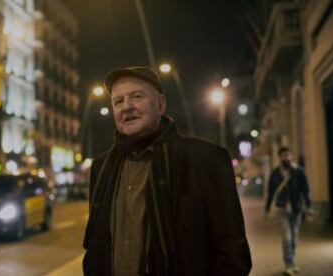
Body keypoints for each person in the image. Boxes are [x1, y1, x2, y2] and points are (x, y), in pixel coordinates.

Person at [83, 66, 252, 276]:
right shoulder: (101, 168)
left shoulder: (205, 159)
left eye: (136, 97)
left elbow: (233, 253)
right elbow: (95, 245)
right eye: (118, 102)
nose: (126, 107)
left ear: (160, 105)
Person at [265, 147, 313, 275]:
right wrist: (267, 208)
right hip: (281, 209)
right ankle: (288, 264)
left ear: (291, 156)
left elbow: (306, 190)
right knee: (287, 238)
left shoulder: (298, 171)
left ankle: (292, 262)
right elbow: (270, 192)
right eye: (283, 155)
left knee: (294, 239)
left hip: (296, 209)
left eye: (288, 155)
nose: (286, 157)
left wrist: (309, 207)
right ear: (279, 157)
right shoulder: (275, 173)